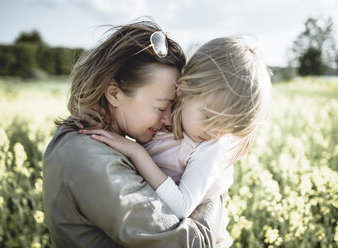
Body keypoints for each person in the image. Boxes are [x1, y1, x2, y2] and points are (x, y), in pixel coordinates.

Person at [43, 20, 226, 248]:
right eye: (161, 107)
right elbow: (187, 244)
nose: (169, 119)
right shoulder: (91, 158)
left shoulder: (93, 142)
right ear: (114, 93)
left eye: (175, 107)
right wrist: (214, 186)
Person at [80, 36, 272, 247]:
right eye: (208, 118)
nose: (213, 133)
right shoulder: (170, 120)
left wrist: (136, 151)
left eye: (226, 128)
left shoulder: (209, 147)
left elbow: (181, 208)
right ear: (184, 88)